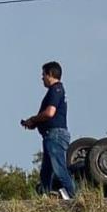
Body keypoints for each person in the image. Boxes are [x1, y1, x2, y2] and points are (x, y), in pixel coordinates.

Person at [21, 61, 76, 199]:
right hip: (50, 135)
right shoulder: (56, 90)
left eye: (43, 74)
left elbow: (50, 113)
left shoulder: (55, 90)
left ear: (50, 74)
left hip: (55, 135)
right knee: (46, 172)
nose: (42, 78)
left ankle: (73, 196)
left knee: (59, 169)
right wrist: (34, 123)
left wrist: (33, 119)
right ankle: (44, 198)